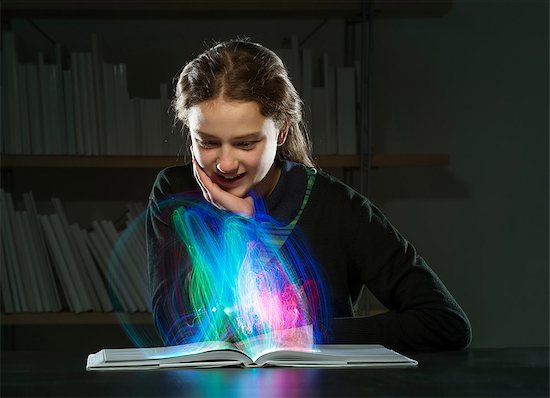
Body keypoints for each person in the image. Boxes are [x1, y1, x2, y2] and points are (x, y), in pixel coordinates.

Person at [146, 38, 472, 351]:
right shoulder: (175, 191)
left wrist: (306, 333)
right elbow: (177, 328)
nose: (226, 164)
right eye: (207, 142)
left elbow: (444, 323)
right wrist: (242, 225)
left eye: (246, 143)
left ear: (282, 130)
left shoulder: (337, 206)